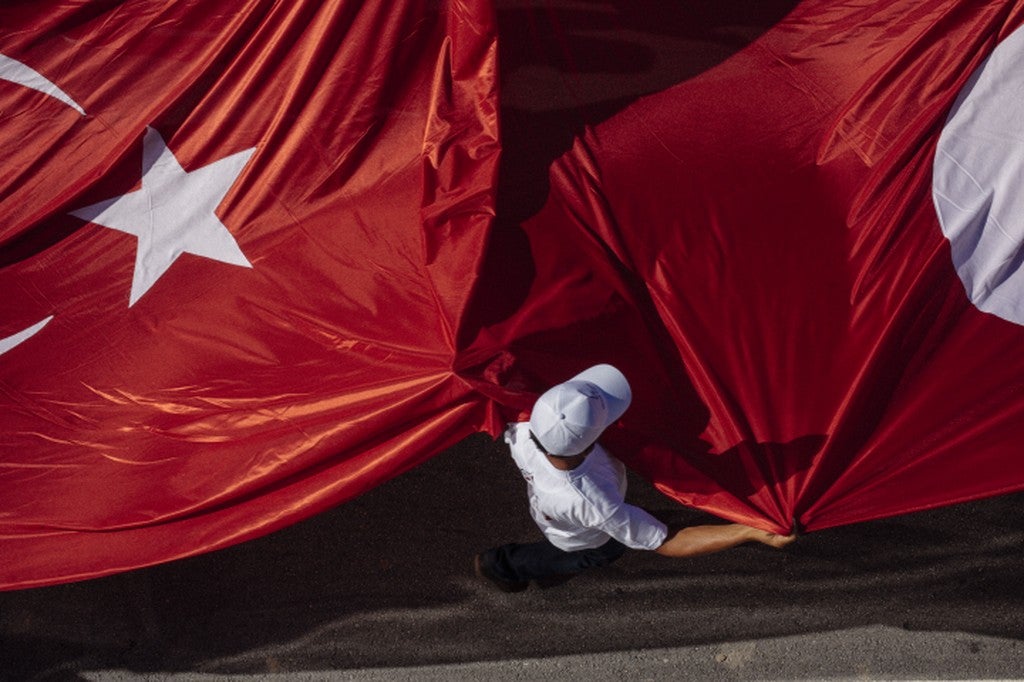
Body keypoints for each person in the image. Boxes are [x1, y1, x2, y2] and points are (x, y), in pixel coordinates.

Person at [474, 364, 795, 592]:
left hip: (555, 509)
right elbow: (666, 541)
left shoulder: (523, 426)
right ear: (588, 447)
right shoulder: (597, 504)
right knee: (583, 555)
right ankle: (501, 566)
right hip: (585, 539)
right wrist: (748, 531)